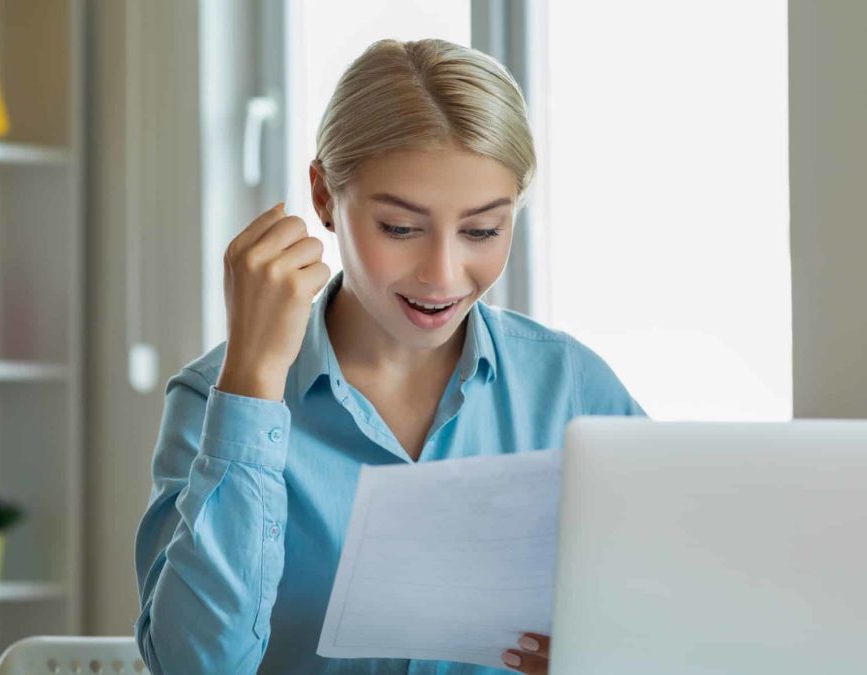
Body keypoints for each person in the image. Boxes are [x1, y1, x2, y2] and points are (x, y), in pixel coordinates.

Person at [134, 38, 646, 674]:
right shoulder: (216, 394)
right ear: (324, 196)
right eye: (400, 229)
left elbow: (673, 617)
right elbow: (194, 668)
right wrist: (252, 386)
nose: (442, 274)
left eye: (483, 230)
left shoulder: (569, 386)